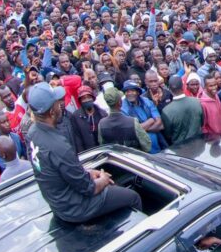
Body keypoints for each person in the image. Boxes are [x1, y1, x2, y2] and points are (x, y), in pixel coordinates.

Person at [26, 82, 143, 223]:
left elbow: (58, 169)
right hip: (76, 207)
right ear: (51, 111)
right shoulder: (58, 145)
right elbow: (89, 189)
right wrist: (103, 180)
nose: (60, 105)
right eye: (58, 103)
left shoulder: (32, 132)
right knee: (133, 197)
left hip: (58, 202)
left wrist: (86, 172)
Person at [98, 87, 153, 152]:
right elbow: (147, 146)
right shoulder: (132, 122)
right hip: (134, 159)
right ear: (120, 102)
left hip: (115, 160)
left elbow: (103, 147)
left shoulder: (101, 124)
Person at [121, 80, 167, 153]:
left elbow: (160, 124)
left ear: (138, 92)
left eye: (132, 90)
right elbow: (132, 131)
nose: (130, 93)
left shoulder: (147, 102)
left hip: (158, 142)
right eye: (127, 91)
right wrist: (150, 121)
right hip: (141, 148)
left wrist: (142, 128)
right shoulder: (123, 108)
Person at [69, 86, 106, 152]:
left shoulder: (102, 114)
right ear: (80, 101)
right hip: (88, 153)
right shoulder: (75, 117)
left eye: (89, 97)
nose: (87, 100)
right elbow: (77, 139)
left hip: (103, 150)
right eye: (84, 98)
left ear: (93, 98)